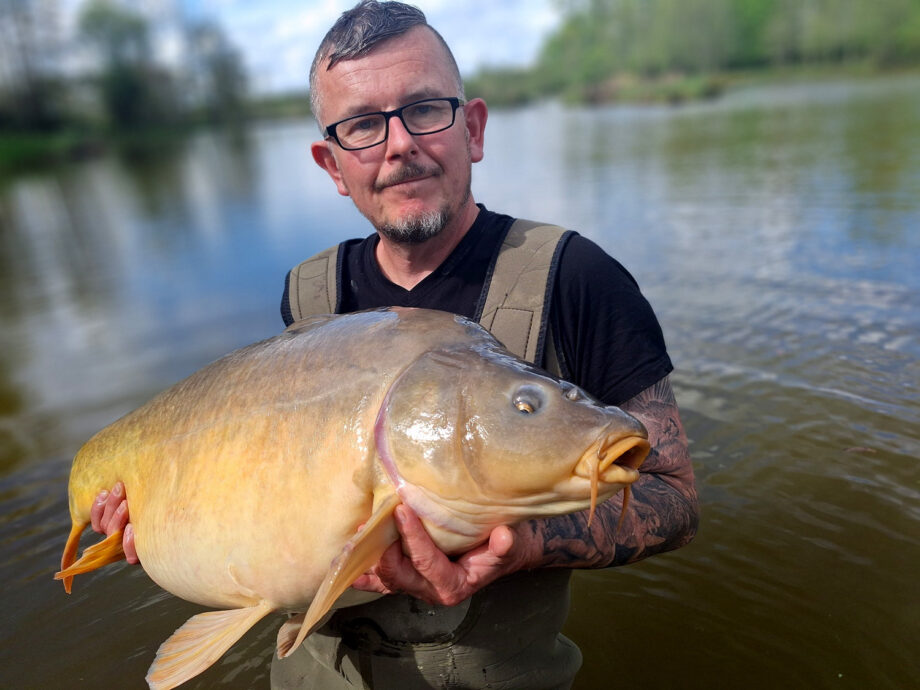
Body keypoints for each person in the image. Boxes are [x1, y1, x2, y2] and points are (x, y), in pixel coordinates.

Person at [92, 2, 698, 688]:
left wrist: (527, 545)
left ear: (471, 128)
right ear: (331, 164)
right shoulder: (306, 292)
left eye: (424, 110)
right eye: (363, 125)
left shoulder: (577, 277)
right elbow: (262, 479)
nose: (399, 144)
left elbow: (674, 498)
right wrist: (172, 529)